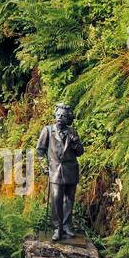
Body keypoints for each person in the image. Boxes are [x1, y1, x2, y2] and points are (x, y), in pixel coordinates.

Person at [36, 102, 84, 241]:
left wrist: (75, 142)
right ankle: (57, 228)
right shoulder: (47, 130)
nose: (59, 117)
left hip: (71, 169)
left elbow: (80, 152)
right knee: (56, 199)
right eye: (57, 115)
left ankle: (67, 225)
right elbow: (40, 150)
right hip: (55, 170)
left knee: (69, 198)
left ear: (68, 118)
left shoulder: (73, 131)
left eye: (63, 116)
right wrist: (44, 165)